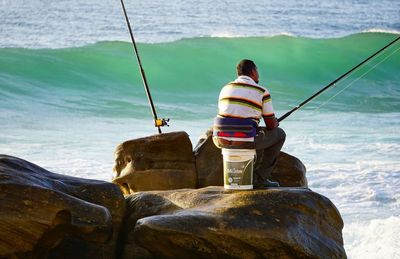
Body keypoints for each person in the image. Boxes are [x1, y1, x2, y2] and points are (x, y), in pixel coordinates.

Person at [213, 59, 286, 188]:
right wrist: (275, 124)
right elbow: (270, 125)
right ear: (253, 72)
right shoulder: (262, 91)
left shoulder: (225, 88)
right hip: (244, 140)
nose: (258, 74)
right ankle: (261, 177)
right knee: (279, 134)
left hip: (219, 139)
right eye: (257, 71)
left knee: (249, 129)